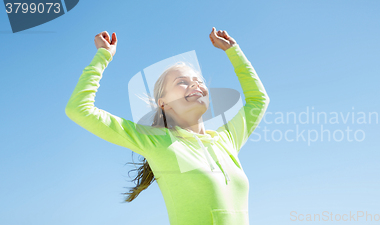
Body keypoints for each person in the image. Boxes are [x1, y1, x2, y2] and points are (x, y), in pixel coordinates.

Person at [65, 27, 270, 225]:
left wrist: (233, 51)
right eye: (182, 82)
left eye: (198, 80)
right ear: (163, 103)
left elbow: (258, 100)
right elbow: (79, 109)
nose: (195, 84)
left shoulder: (226, 140)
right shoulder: (157, 141)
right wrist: (103, 55)